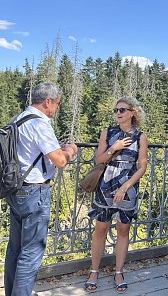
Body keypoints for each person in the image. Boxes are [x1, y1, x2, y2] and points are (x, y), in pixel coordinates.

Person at [4, 82, 78, 296]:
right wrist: (70, 150)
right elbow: (59, 160)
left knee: (15, 250)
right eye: (57, 104)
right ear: (48, 102)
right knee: (31, 254)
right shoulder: (39, 124)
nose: (56, 109)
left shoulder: (18, 120)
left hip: (16, 189)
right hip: (34, 193)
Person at [85, 96, 148, 293]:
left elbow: (142, 166)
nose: (118, 113)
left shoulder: (140, 137)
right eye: (116, 110)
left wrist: (125, 187)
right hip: (106, 183)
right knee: (101, 228)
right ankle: (94, 270)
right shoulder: (108, 132)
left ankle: (118, 271)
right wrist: (114, 148)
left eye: (122, 110)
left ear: (132, 112)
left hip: (128, 187)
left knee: (123, 229)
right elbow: (99, 160)